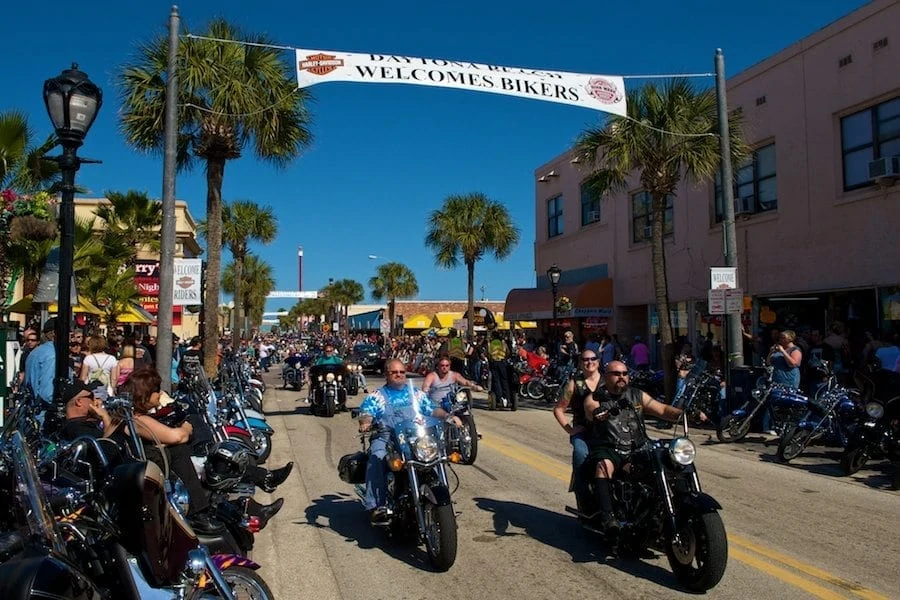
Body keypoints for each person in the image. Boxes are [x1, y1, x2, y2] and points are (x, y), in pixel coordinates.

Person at [582, 360, 701, 535]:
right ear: (606, 377)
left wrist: (686, 415)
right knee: (603, 466)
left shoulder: (637, 395)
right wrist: (600, 414)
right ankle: (609, 517)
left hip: (638, 446)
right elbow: (592, 412)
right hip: (609, 447)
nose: (621, 377)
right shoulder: (595, 397)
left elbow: (661, 409)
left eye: (624, 373)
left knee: (666, 464)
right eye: (616, 374)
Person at [357, 359, 459, 523]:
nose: (399, 375)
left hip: (415, 439)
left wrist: (448, 416)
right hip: (387, 438)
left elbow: (432, 409)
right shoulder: (377, 396)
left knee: (439, 456)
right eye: (394, 372)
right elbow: (366, 412)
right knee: (377, 457)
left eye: (402, 372)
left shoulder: (416, 394)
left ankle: (443, 504)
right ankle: (376, 505)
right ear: (387, 374)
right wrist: (366, 422)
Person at [553, 350, 602, 514]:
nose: (590, 362)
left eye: (593, 359)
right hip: (583, 431)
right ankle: (584, 497)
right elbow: (559, 409)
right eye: (585, 360)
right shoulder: (575, 383)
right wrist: (570, 430)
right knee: (581, 455)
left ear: (598, 361)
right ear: (580, 363)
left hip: (607, 430)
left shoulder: (607, 381)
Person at [765, 330, 803, 435]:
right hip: (777, 378)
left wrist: (783, 352)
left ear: (790, 338)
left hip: (789, 378)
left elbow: (793, 363)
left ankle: (788, 428)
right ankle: (774, 425)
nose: (780, 340)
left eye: (783, 338)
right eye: (780, 338)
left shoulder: (795, 349)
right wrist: (771, 352)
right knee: (774, 401)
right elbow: (768, 362)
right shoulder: (778, 349)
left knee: (787, 403)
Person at [25, 318, 59, 408]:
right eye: (68, 334)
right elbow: (48, 393)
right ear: (54, 334)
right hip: (45, 413)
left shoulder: (36, 352)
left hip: (32, 410)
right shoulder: (52, 355)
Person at [487, 331, 512, 409]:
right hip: (502, 362)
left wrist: (491, 360)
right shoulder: (503, 342)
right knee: (504, 381)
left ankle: (499, 399)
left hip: (495, 362)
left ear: (493, 336)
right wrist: (504, 358)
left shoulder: (491, 343)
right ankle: (507, 399)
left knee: (496, 381)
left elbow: (488, 354)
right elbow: (508, 352)